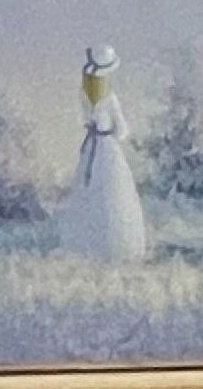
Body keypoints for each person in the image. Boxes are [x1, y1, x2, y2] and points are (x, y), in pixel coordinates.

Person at [56, 44, 147, 262]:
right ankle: (117, 247)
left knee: (89, 192)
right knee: (113, 193)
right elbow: (122, 130)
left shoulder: (85, 93)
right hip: (107, 147)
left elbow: (84, 120)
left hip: (91, 147)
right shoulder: (110, 98)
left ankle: (83, 244)